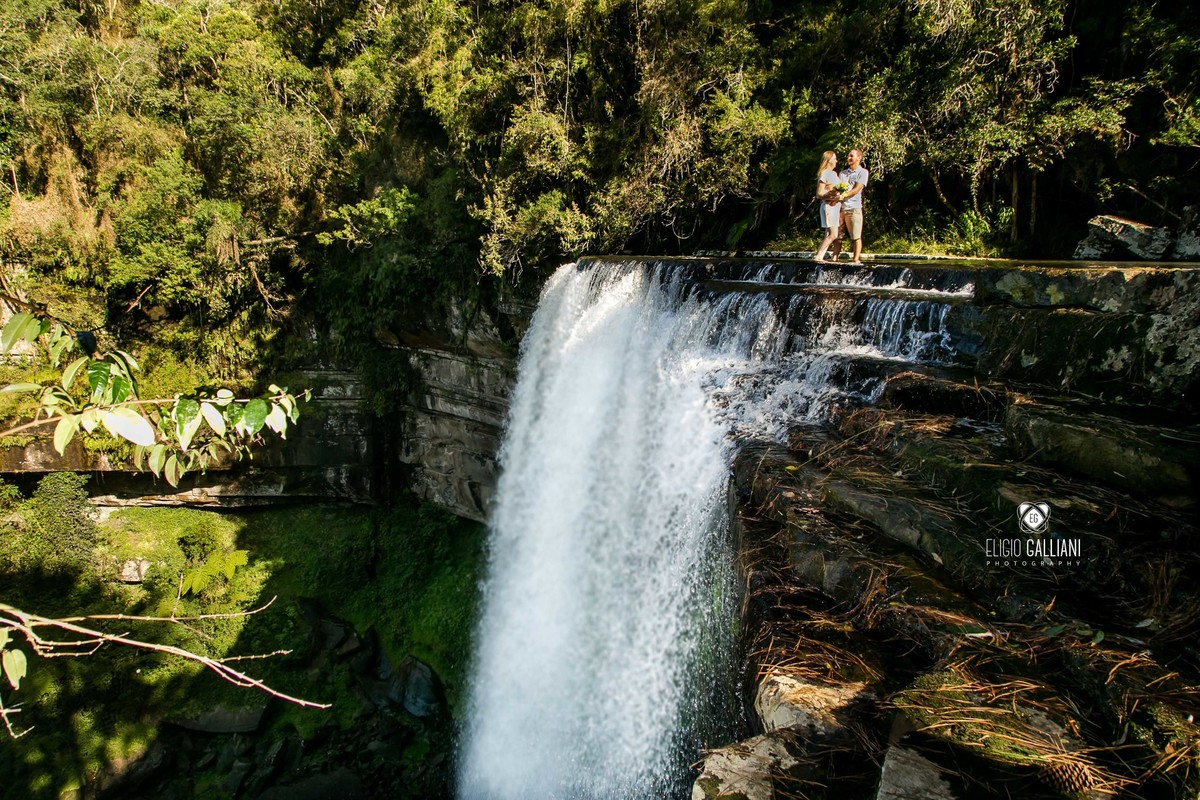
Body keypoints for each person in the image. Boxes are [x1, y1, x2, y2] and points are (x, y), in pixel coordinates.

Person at [837, 148, 869, 264]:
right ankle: (834, 258)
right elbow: (837, 188)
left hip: (854, 208)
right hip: (841, 208)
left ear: (858, 158)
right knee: (837, 236)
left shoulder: (863, 172)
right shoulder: (842, 173)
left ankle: (855, 260)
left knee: (856, 236)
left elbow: (857, 189)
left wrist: (844, 195)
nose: (849, 158)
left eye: (851, 156)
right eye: (848, 156)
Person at [813, 151, 842, 262]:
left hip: (835, 207)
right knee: (833, 234)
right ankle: (818, 256)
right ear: (829, 160)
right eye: (834, 158)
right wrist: (829, 195)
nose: (836, 161)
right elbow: (819, 194)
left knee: (828, 234)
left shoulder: (834, 174)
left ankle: (820, 256)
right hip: (829, 206)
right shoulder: (825, 173)